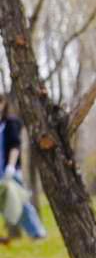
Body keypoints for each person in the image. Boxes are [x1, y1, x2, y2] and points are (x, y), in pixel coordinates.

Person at [0, 101, 48, 241]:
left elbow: (15, 146)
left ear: (3, 104)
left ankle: (37, 233)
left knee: (21, 202)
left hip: (10, 171)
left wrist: (10, 166)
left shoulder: (11, 123)